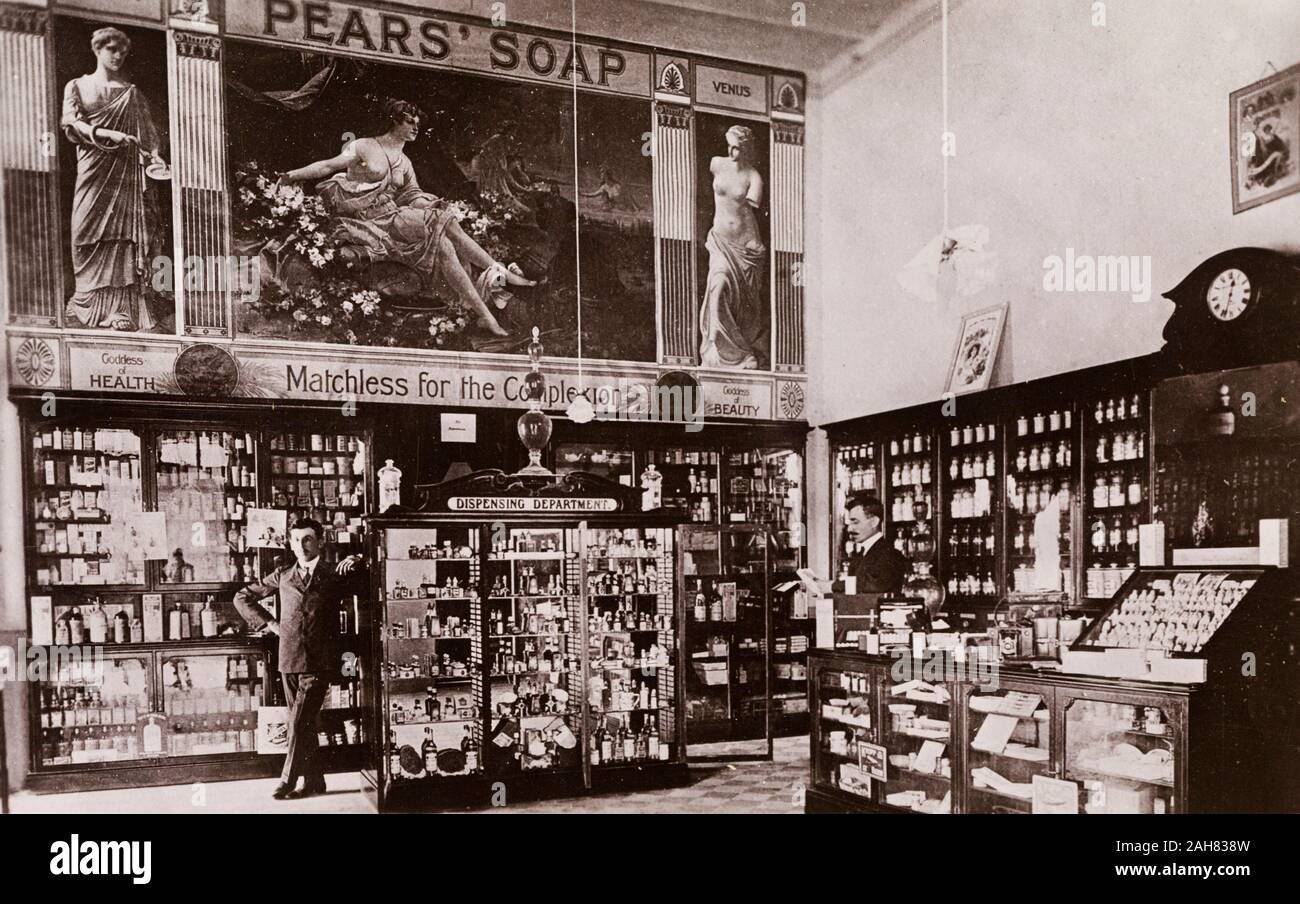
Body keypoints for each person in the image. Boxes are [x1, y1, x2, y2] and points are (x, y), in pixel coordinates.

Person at [279, 99, 536, 337]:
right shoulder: (365, 145)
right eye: (410, 122)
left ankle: (486, 315)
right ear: (394, 121)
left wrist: (430, 203)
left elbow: (412, 195)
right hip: (366, 221)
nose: (416, 128)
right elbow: (327, 165)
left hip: (393, 217)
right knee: (443, 222)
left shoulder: (404, 161)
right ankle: (500, 274)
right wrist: (292, 175)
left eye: (418, 124)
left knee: (445, 241)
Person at [234, 518, 366, 799]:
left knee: (298, 722)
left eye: (307, 539)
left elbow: (365, 580)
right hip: (289, 658)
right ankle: (315, 781)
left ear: (320, 541)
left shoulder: (334, 573)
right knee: (303, 724)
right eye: (296, 539)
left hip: (320, 661)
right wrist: (271, 624)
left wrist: (357, 558)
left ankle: (287, 780)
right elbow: (242, 597)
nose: (301, 545)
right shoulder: (283, 574)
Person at [61, 26, 165, 331]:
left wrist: (155, 155)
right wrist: (108, 134)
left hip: (125, 175)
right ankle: (85, 301)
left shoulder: (132, 93)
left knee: (122, 237)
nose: (118, 56)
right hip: (93, 171)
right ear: (97, 49)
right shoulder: (77, 86)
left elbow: (150, 136)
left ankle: (121, 309)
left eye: (122, 51)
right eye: (111, 49)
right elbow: (71, 124)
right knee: (84, 232)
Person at [699, 125, 769, 369]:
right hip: (720, 241)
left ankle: (741, 352)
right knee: (718, 286)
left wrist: (754, 244)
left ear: (747, 149)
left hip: (744, 244)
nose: (731, 152)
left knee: (743, 303)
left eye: (737, 148)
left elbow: (749, 214)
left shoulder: (753, 177)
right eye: (729, 145)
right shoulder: (716, 164)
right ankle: (717, 349)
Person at [843, 492, 907, 594]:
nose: (849, 529)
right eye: (849, 523)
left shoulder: (890, 555)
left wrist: (832, 585)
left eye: (855, 522)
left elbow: (874, 586)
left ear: (874, 522)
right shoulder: (860, 555)